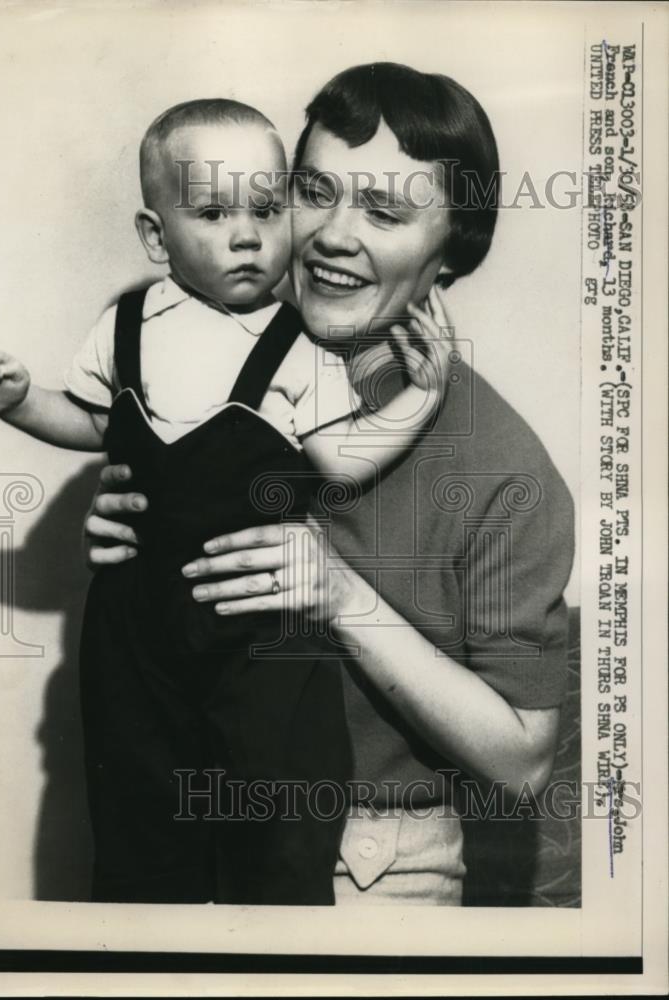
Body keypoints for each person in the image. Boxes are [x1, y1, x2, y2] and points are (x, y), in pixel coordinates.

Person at [85, 63, 575, 906]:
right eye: (313, 191)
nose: (330, 236)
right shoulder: (190, 354)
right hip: (175, 818)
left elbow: (523, 762)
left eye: (384, 212)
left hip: (361, 859)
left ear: (451, 253)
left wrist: (340, 596)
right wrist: (127, 529)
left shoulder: (503, 469)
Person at [0, 97, 447, 905]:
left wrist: (415, 405)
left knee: (272, 824)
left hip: (255, 635)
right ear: (156, 236)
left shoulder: (301, 344)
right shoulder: (127, 326)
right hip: (135, 631)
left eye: (264, 208)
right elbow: (93, 423)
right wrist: (16, 401)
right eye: (214, 212)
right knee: (142, 825)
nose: (246, 234)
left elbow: (338, 459)